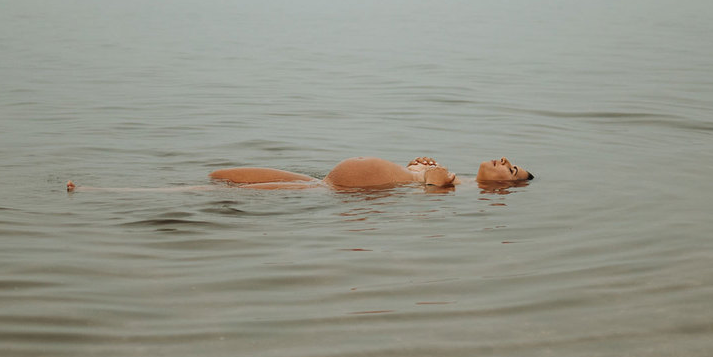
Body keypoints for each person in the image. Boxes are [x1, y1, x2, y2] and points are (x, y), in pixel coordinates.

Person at [66, 156, 533, 192]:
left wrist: (435, 177)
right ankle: (110, 188)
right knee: (220, 176)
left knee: (206, 192)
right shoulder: (459, 178)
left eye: (511, 170)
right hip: (326, 183)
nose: (503, 161)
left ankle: (104, 190)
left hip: (332, 192)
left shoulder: (468, 189)